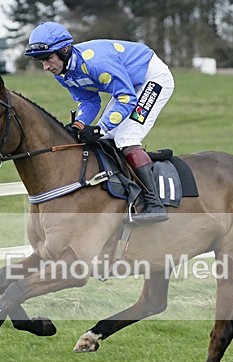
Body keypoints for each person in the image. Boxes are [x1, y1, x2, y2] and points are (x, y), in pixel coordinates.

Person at [25, 21, 174, 223]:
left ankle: (154, 203)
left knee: (126, 137)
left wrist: (100, 128)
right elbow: (88, 101)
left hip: (152, 78)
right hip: (127, 86)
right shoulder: (62, 73)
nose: (45, 67)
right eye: (41, 61)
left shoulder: (96, 63)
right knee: (107, 137)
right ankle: (129, 187)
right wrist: (79, 125)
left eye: (48, 58)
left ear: (65, 50)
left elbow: (126, 98)